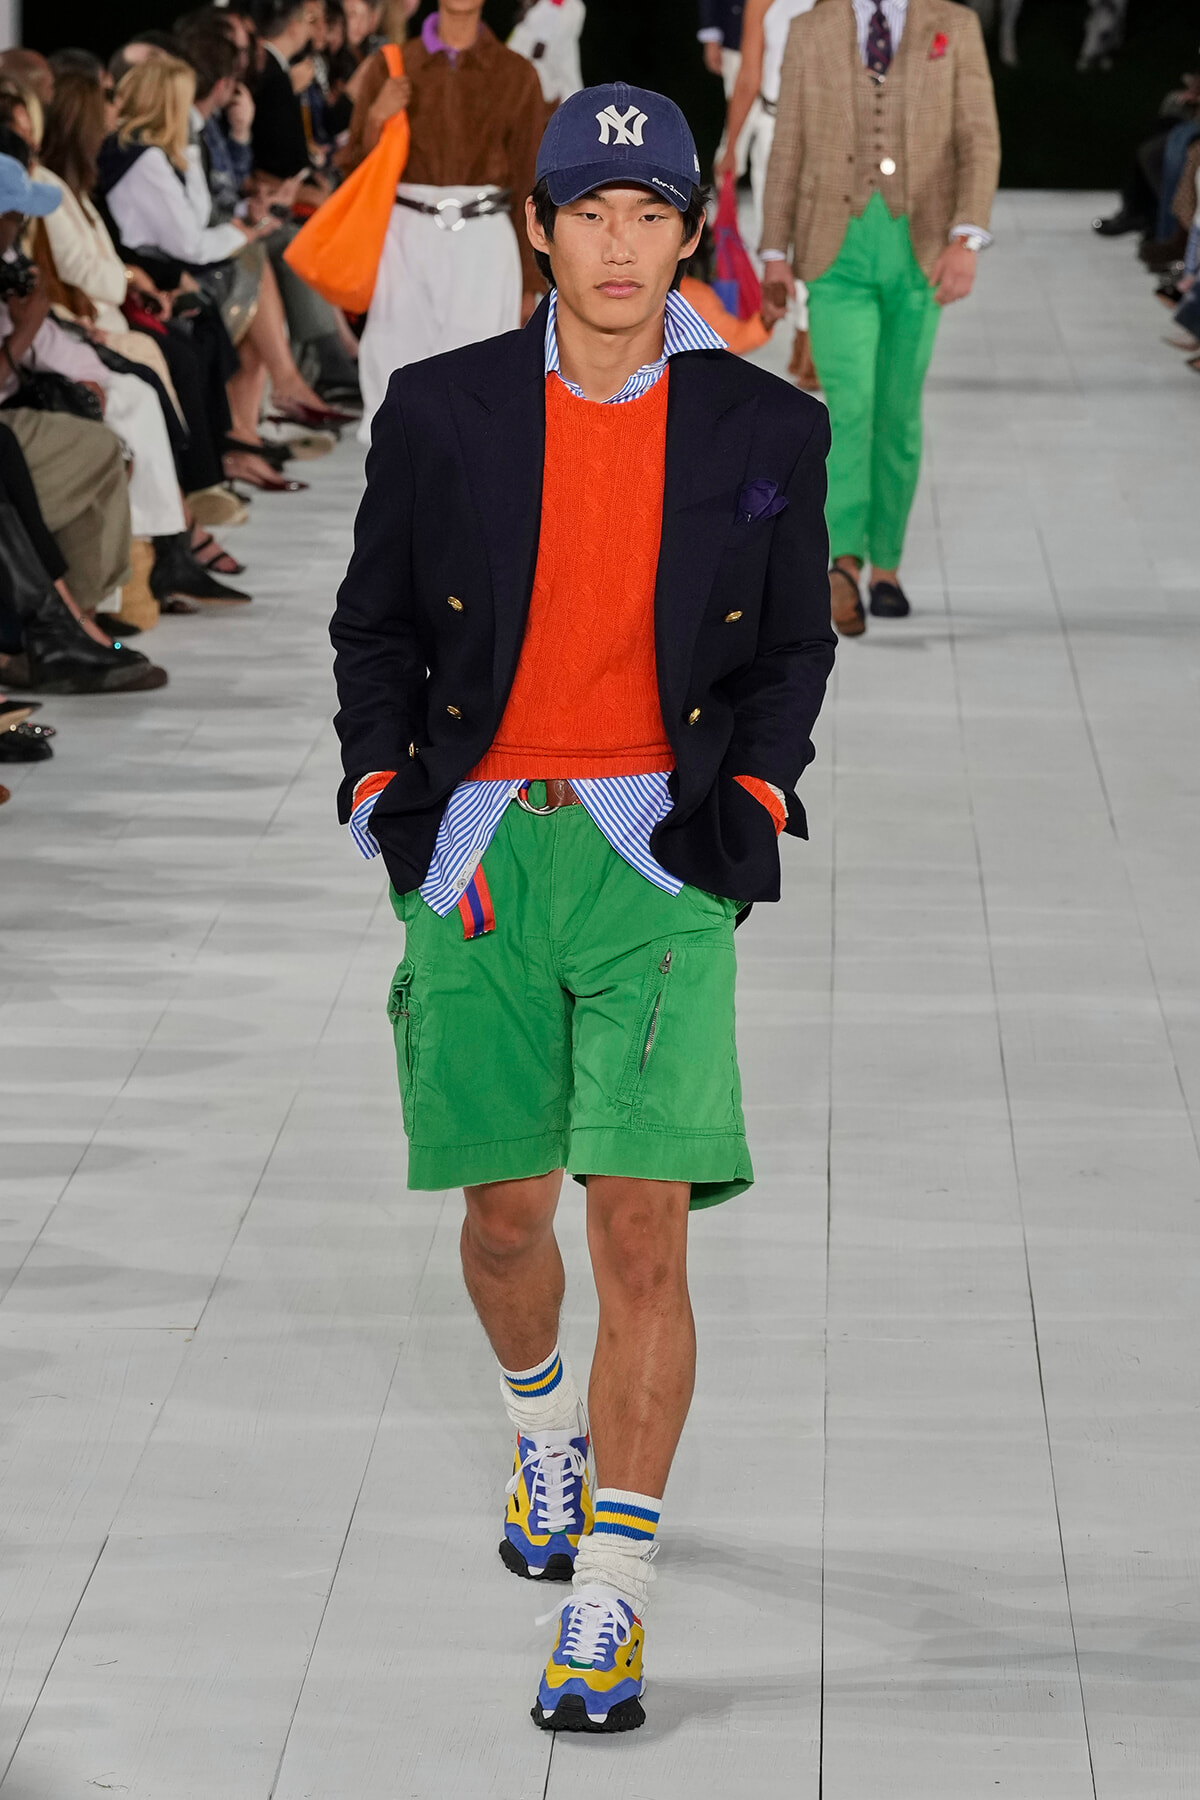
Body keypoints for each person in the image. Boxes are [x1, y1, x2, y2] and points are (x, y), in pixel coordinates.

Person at [331, 81, 834, 1733]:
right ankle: (540, 1426)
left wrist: (750, 798)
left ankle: (611, 1600)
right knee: (502, 1220)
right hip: (479, 857)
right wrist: (381, 801)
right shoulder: (441, 409)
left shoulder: (765, 431)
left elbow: (785, 643)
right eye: (589, 214)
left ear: (692, 232)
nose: (620, 248)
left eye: (652, 216)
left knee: (642, 1225)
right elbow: (376, 626)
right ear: (538, 229)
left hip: (658, 857)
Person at [761, 0, 1000, 635]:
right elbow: (788, 144)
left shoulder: (956, 24)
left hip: (919, 250)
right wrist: (774, 253)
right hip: (834, 248)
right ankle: (844, 561)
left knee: (898, 410)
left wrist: (966, 239)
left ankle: (886, 564)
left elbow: (978, 135)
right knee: (849, 406)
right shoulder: (809, 29)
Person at [341, 0, 547, 440]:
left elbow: (530, 178)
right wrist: (377, 116)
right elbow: (353, 168)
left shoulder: (516, 73)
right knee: (394, 371)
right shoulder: (394, 66)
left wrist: (533, 277)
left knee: (483, 376)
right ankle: (398, 501)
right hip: (405, 232)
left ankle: (472, 502)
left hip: (486, 238)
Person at [507, 0, 586, 108]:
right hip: (521, 88)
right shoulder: (536, 9)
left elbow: (555, 54)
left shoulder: (570, 8)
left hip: (550, 95)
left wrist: (542, 37)